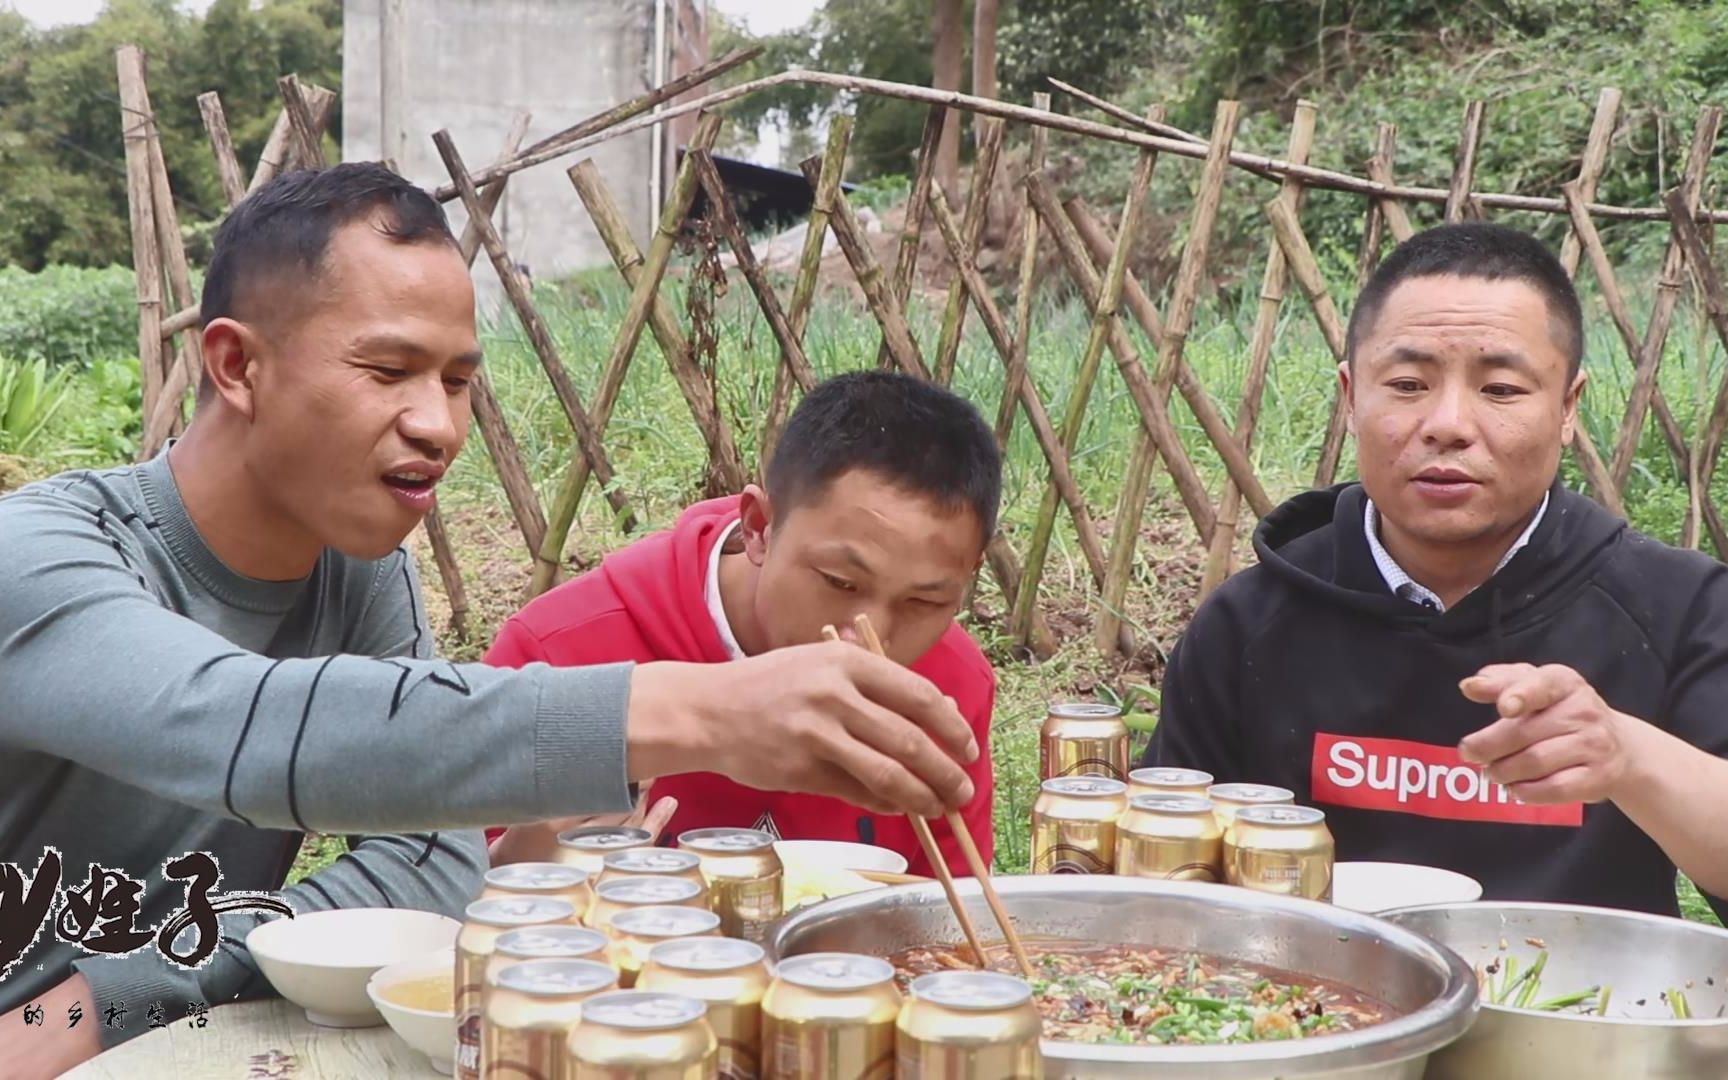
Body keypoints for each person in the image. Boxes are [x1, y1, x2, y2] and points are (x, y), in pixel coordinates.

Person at [0, 164, 976, 1076]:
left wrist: (105, 998)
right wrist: (707, 711)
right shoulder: (38, 558)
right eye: (389, 372)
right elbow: (237, 728)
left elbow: (431, 862)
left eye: (458, 381)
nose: (441, 425)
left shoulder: (357, 574)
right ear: (236, 367)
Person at [1143, 222, 1728, 919]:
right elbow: (1160, 882)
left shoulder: (1680, 608)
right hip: (1312, 1011)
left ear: (1568, 408)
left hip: (1577, 1014)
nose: (1448, 423)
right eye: (1409, 383)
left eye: (1502, 389)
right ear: (1352, 395)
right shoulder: (1248, 621)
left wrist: (1629, 757)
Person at [484, 371, 999, 877]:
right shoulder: (558, 654)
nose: (868, 639)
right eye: (840, 583)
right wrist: (520, 868)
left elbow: (952, 926)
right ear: (759, 526)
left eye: (924, 603)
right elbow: (441, 917)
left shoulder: (949, 687)